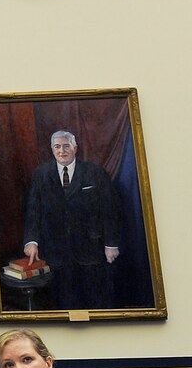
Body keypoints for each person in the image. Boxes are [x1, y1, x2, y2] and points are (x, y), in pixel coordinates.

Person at [22, 130, 121, 310]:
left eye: (66, 146)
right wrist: (32, 241)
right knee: (61, 301)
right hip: (55, 251)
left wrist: (111, 244)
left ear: (75, 148)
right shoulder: (41, 174)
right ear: (52, 150)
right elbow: (33, 211)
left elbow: (110, 211)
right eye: (57, 147)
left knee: (94, 299)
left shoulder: (95, 172)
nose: (62, 151)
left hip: (91, 250)